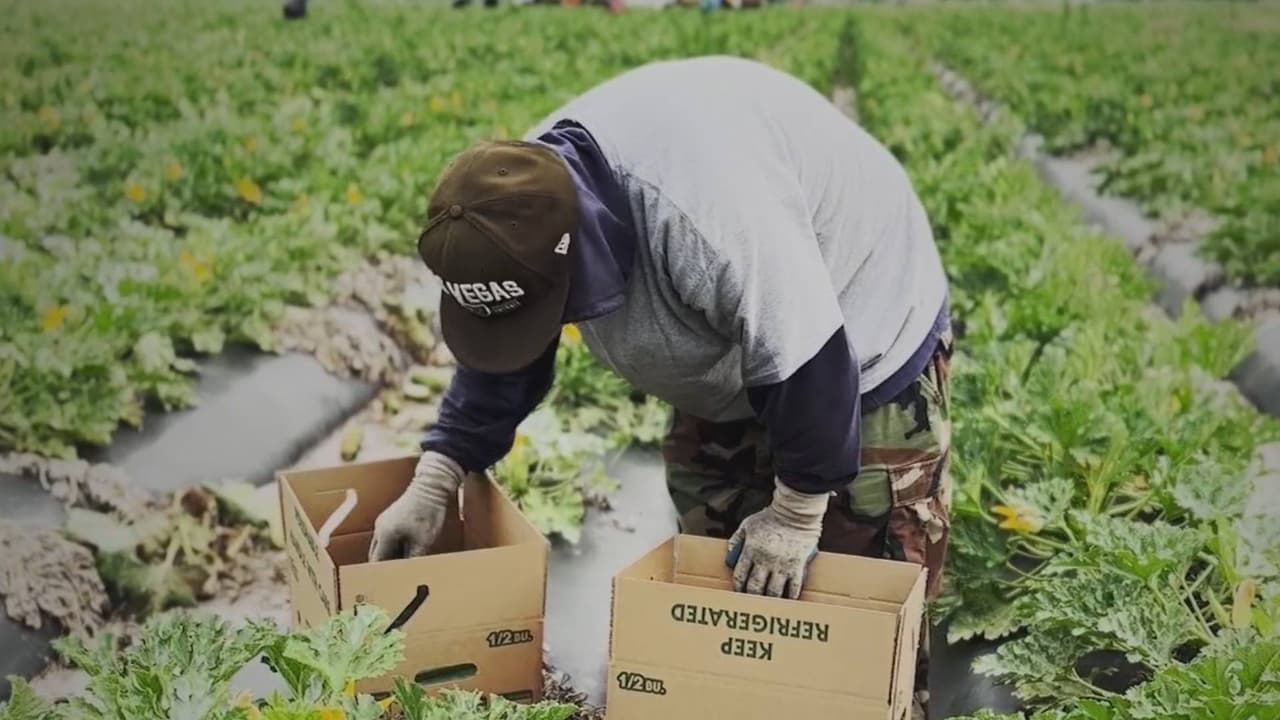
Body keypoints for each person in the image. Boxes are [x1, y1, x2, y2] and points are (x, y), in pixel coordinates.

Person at [369, 56, 952, 717]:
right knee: (714, 564)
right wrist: (438, 476)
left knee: (855, 589)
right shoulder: (508, 212)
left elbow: (811, 357)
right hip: (731, 351)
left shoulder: (711, 213)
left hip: (859, 322)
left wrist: (795, 513)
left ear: (581, 253)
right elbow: (506, 353)